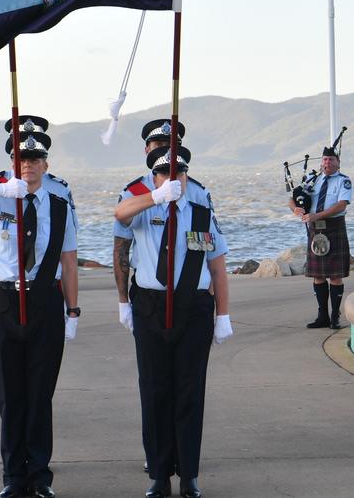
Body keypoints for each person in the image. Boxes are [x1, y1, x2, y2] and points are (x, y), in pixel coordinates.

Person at [0, 132, 79, 498]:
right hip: (3, 302)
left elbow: (68, 261)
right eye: (22, 160)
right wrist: (1, 191)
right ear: (12, 164)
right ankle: (13, 477)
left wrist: (73, 310)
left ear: (46, 165)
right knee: (9, 396)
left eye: (35, 160)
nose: (28, 165)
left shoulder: (58, 201)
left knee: (40, 395)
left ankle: (40, 476)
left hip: (44, 302)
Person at [114, 146, 232, 498]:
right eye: (164, 172)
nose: (173, 177)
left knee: (189, 393)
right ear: (154, 176)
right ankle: (159, 476)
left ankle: (189, 475)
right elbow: (120, 215)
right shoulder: (141, 205)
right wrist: (155, 197)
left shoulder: (200, 213)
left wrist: (223, 313)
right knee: (154, 392)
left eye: (178, 172)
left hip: (193, 309)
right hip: (150, 306)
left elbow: (217, 265)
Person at [0, 115, 78, 301]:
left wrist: (69, 306)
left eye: (33, 140)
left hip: (47, 283)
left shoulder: (59, 188)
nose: (28, 144)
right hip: (5, 285)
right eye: (20, 140)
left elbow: (66, 249)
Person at [289, 145, 352, 329]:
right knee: (317, 275)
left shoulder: (343, 181)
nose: (327, 162)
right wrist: (296, 209)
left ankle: (335, 316)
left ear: (338, 163)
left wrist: (318, 215)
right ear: (321, 162)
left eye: (331, 159)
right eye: (325, 159)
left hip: (334, 227)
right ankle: (322, 316)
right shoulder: (312, 180)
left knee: (335, 276)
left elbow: (341, 205)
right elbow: (292, 199)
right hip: (315, 229)